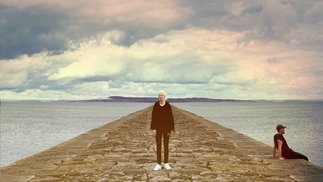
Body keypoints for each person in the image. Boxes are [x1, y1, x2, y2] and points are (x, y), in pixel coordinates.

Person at [151, 90, 175, 171]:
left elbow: (170, 118)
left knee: (166, 146)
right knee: (158, 146)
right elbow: (153, 117)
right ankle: (158, 163)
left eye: (161, 95)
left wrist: (170, 129)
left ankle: (166, 163)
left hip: (166, 128)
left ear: (164, 96)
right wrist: (154, 128)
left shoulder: (168, 105)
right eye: (159, 95)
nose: (160, 97)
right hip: (158, 128)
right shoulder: (156, 105)